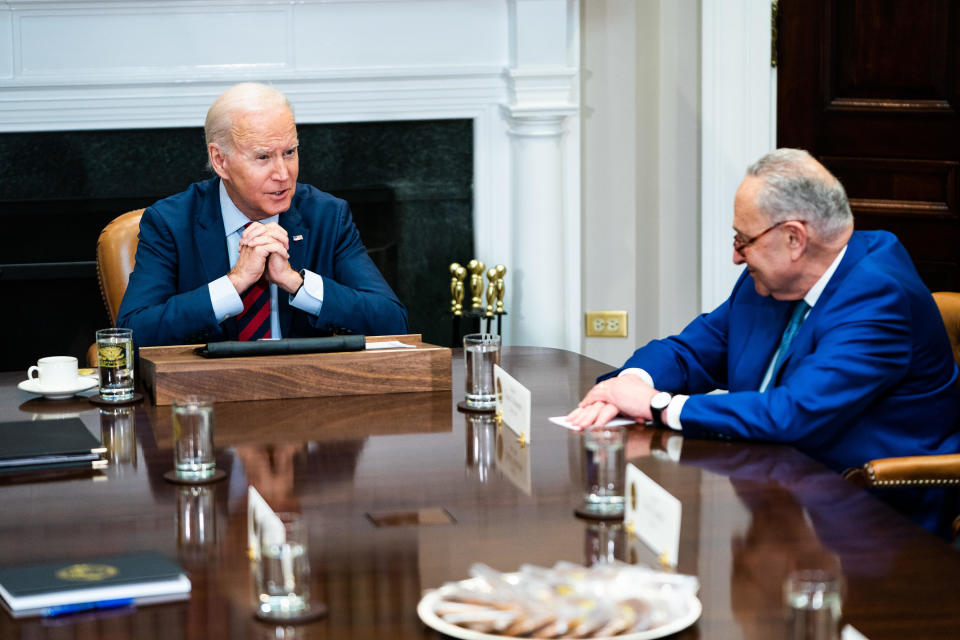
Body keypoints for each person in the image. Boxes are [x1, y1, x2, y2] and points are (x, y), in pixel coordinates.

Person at [568, 148, 960, 473]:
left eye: (744, 239)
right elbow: (691, 351)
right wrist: (626, 387)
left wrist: (658, 405)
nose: (736, 256)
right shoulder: (771, 280)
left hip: (870, 508)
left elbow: (794, 413)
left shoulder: (879, 296)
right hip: (774, 476)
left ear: (794, 238)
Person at [117, 82, 407, 347]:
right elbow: (133, 333)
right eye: (263, 157)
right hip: (206, 394)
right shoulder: (171, 222)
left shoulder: (327, 216)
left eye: (290, 152)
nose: (283, 174)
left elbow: (393, 321)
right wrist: (236, 282)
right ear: (220, 160)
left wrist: (296, 283)